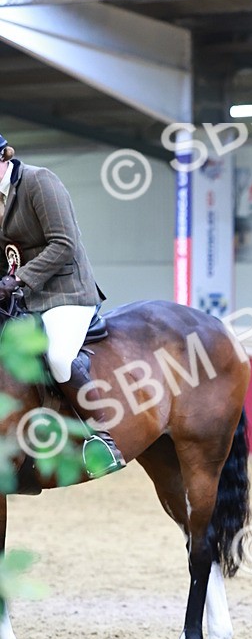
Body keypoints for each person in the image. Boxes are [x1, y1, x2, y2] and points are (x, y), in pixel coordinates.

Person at [0, 132, 125, 474]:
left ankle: (102, 437)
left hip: (66, 291)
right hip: (26, 296)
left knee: (58, 356)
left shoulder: (39, 181)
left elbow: (64, 242)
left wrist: (17, 280)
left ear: (3, 157)